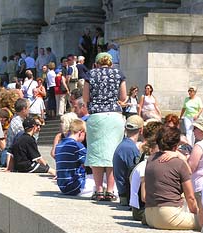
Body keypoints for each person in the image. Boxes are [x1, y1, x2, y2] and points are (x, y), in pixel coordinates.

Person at [83, 52, 126, 201]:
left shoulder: (91, 74)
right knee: (112, 153)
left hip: (97, 116)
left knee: (96, 153)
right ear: (111, 63)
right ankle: (111, 190)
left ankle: (99, 190)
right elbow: (123, 97)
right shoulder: (118, 74)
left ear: (96, 63)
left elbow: (86, 97)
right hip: (114, 116)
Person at [144, 126, 199, 230]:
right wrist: (197, 214)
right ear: (176, 145)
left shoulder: (150, 159)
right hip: (168, 215)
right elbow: (190, 198)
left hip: (149, 214)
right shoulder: (178, 163)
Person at [129, 121, 163, 222]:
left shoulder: (145, 162)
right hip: (141, 211)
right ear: (152, 150)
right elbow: (144, 197)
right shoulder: (146, 165)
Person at [55, 118, 93, 195]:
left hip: (63, 186)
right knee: (103, 182)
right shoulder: (77, 145)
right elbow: (91, 164)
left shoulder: (59, 145)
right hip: (77, 186)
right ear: (81, 132)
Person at [113, 115, 144, 206]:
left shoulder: (124, 145)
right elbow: (135, 173)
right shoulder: (130, 148)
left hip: (123, 193)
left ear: (125, 129)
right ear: (141, 130)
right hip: (127, 196)